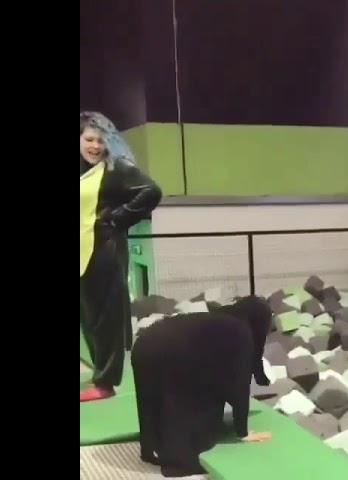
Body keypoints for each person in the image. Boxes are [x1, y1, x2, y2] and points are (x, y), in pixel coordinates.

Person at [131, 295, 273, 478]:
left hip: (144, 343)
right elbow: (240, 385)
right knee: (190, 407)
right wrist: (243, 432)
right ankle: (178, 461)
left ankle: (149, 448)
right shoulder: (241, 332)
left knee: (149, 398)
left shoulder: (218, 320)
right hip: (166, 351)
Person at [80, 111, 162, 402]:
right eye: (89, 139)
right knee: (88, 319)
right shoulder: (85, 172)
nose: (95, 146)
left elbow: (151, 191)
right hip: (84, 253)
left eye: (101, 141)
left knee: (106, 319)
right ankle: (99, 373)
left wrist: (117, 218)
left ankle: (105, 383)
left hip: (105, 252)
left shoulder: (116, 168)